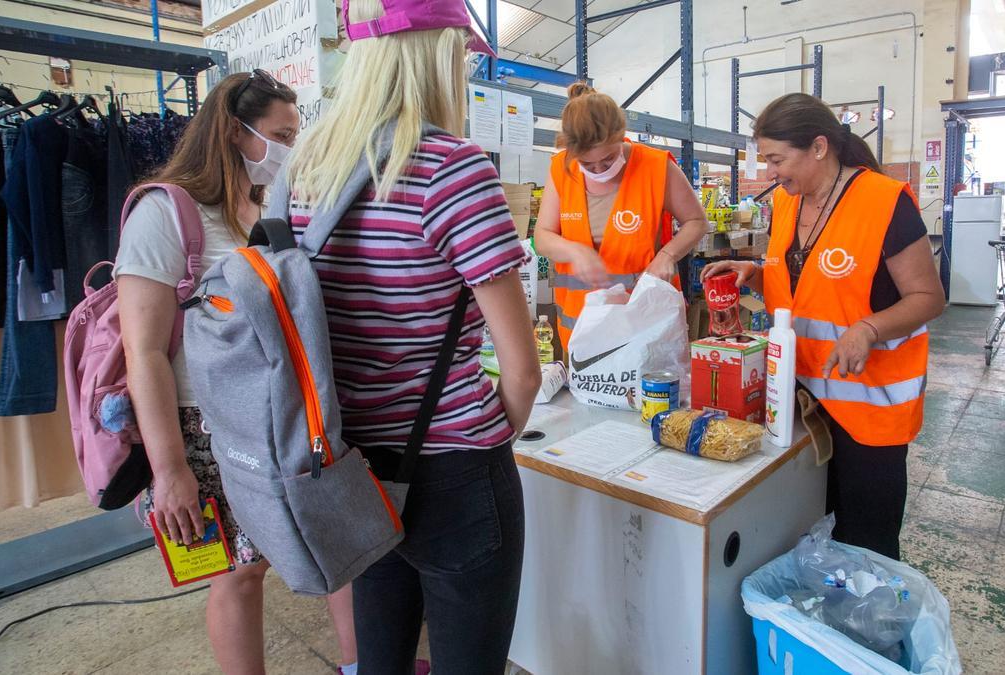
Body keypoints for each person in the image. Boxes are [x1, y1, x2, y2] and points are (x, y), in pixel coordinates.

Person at [281, 0, 542, 672]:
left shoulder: (306, 169)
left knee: (380, 655)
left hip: (349, 465)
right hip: (454, 468)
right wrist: (480, 438)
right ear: (436, 53)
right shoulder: (452, 169)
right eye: (459, 49)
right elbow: (523, 369)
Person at [113, 71, 360, 675]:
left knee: (337, 545)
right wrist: (171, 470)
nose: (287, 149)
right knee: (238, 572)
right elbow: (142, 351)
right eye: (279, 134)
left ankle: (364, 664)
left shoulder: (272, 205)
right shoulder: (163, 212)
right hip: (206, 427)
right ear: (232, 130)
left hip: (291, 415)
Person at [702, 93, 944, 560]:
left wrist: (869, 329)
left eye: (777, 159)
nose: (771, 172)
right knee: (807, 531)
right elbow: (801, 278)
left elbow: (928, 297)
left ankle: (860, 632)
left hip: (869, 409)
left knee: (864, 547)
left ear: (817, 147)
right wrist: (753, 270)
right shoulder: (791, 205)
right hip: (801, 404)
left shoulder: (883, 201)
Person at [533, 83, 709, 350]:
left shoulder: (656, 167)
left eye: (608, 158)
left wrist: (667, 256)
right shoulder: (561, 169)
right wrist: (574, 252)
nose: (599, 169)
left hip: (644, 327)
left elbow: (697, 222)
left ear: (621, 135)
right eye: (587, 164)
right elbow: (543, 236)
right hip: (582, 331)